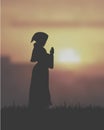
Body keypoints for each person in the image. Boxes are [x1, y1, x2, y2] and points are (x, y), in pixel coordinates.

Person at [29, 32, 54, 109]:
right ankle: (40, 104)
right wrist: (50, 55)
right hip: (41, 70)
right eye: (44, 41)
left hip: (41, 69)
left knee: (41, 87)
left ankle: (40, 104)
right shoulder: (39, 49)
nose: (45, 43)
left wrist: (50, 54)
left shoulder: (39, 49)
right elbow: (34, 59)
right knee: (40, 87)